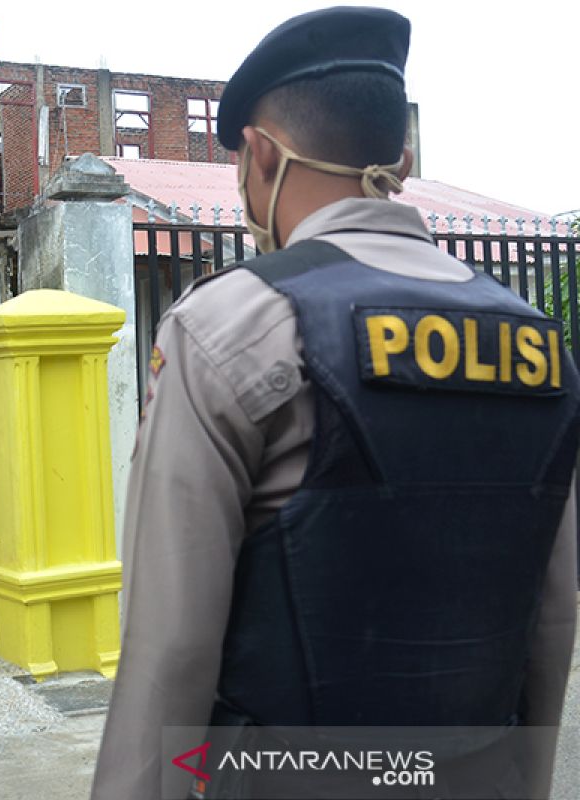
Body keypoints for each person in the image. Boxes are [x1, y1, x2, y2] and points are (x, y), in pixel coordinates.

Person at [92, 8, 580, 800]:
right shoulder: (538, 346)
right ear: (404, 157)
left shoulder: (229, 325)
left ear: (261, 155)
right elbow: (551, 619)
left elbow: (172, 649)